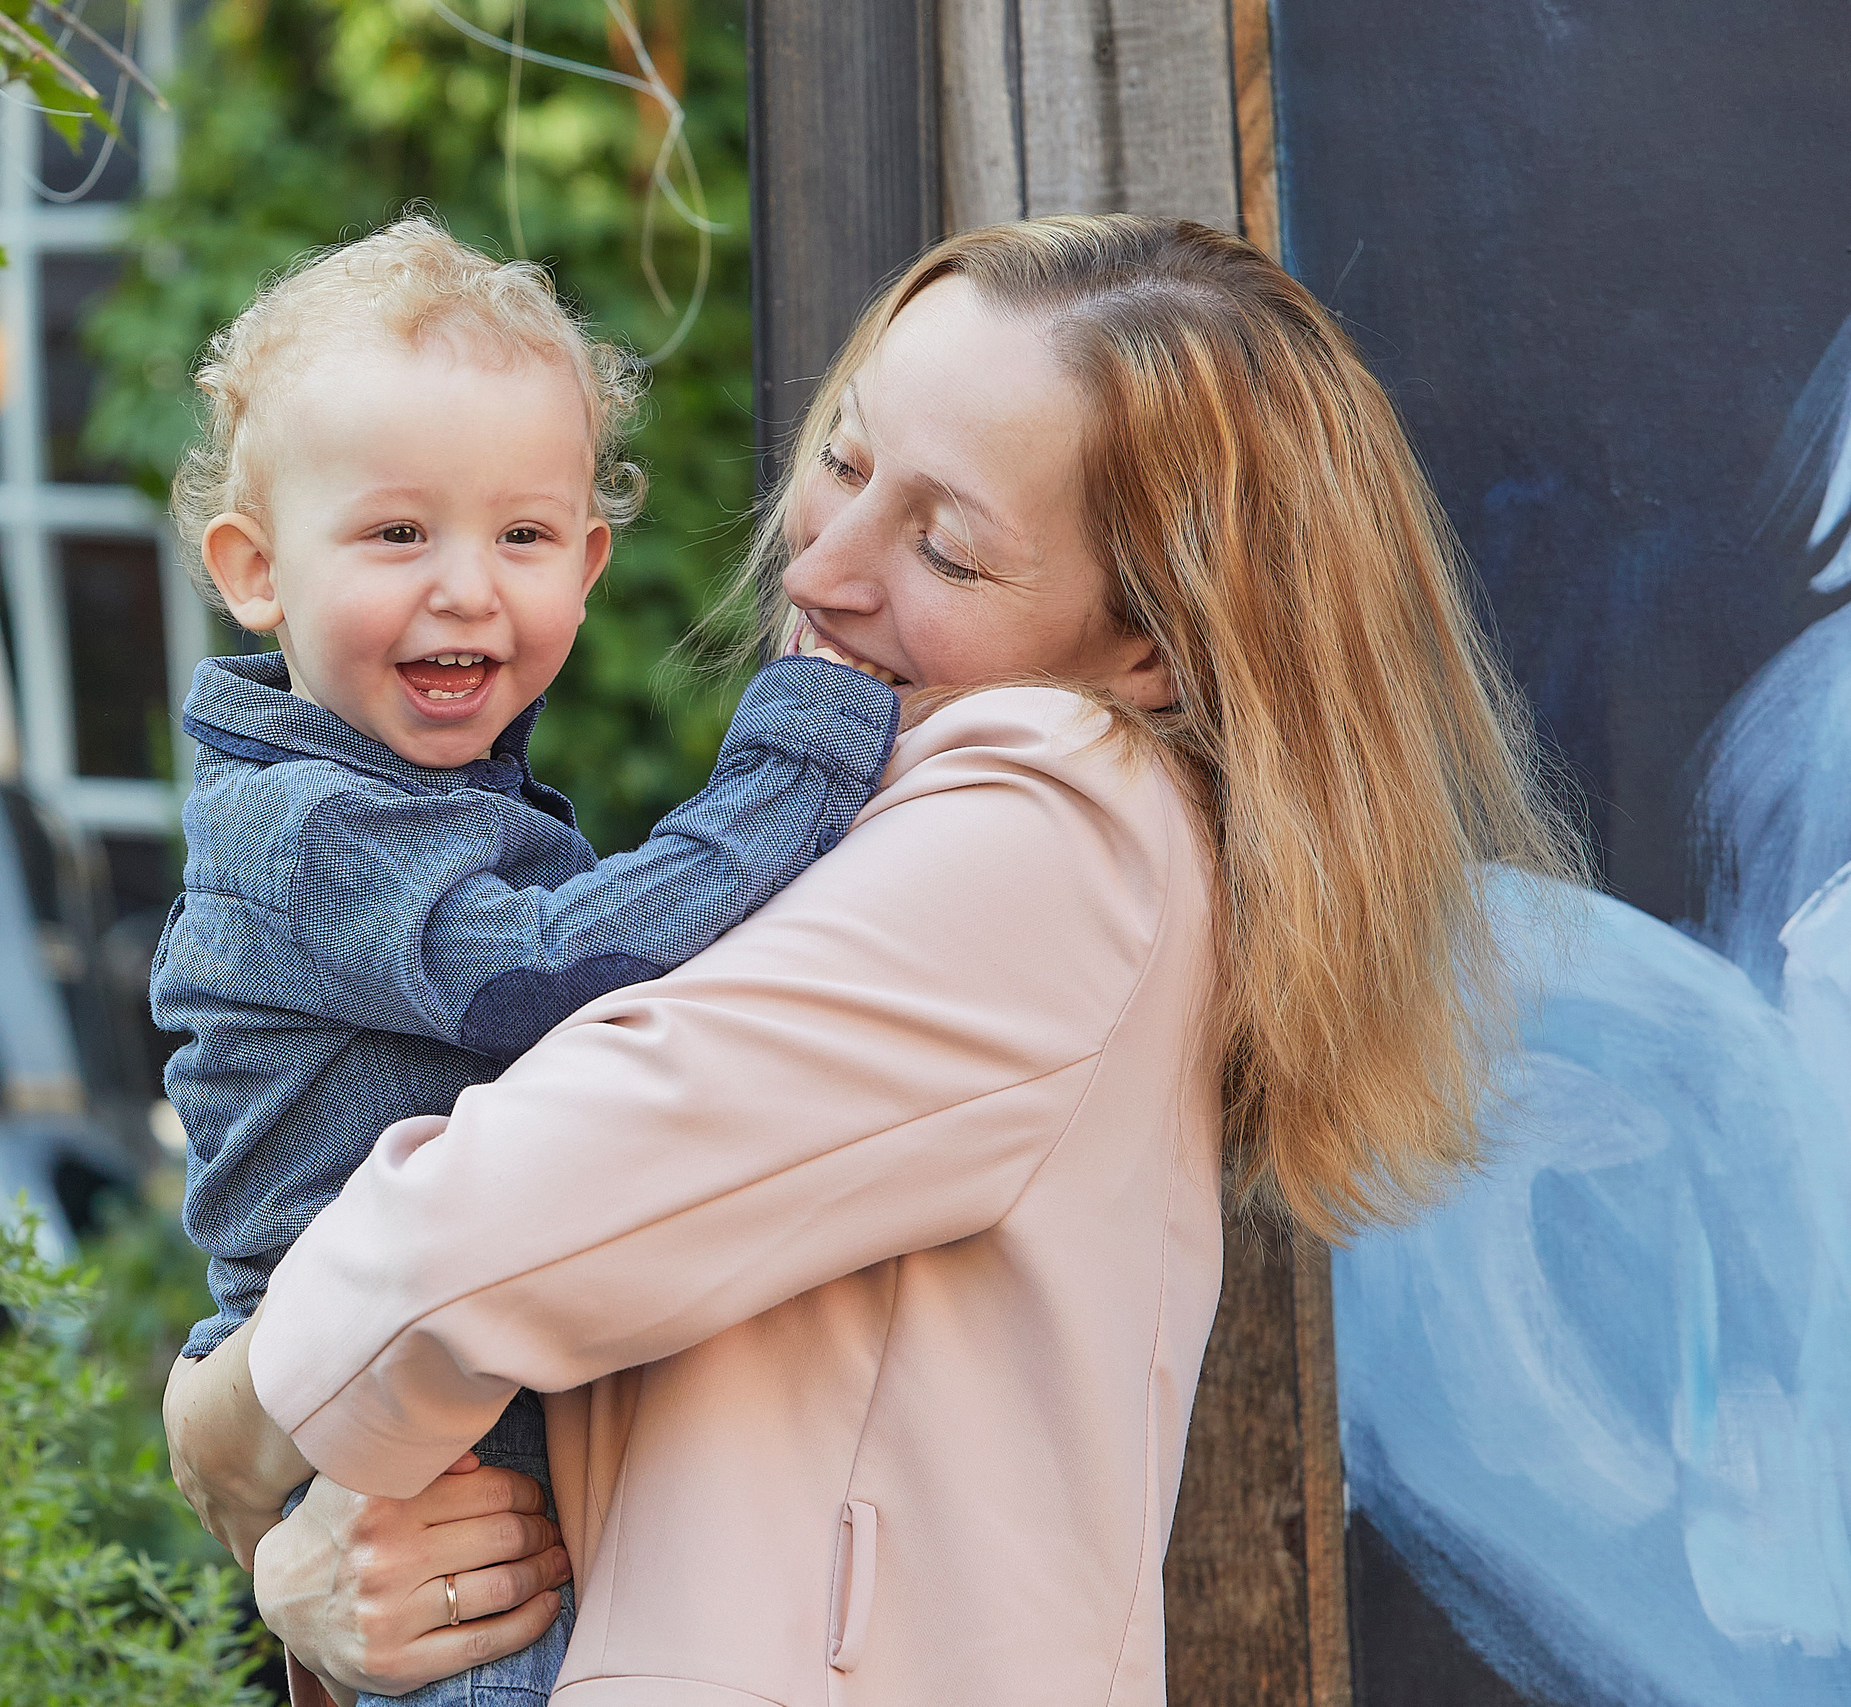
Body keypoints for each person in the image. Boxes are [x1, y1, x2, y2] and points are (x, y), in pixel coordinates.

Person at [166, 214, 1582, 1705]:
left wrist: (231, 1423)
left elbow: (488, 1225)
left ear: (1152, 649)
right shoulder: (903, 817)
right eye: (843, 463)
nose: (825, 568)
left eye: (948, 548)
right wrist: (331, 1559)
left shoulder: (1053, 821)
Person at [150, 217, 903, 1706]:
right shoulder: (311, 832)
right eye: (393, 533)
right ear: (255, 572)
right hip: (428, 1484)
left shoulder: (417, 801)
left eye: (522, 534)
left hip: (415, 1414)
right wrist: (802, 748)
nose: (466, 588)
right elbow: (562, 973)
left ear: (589, 559)